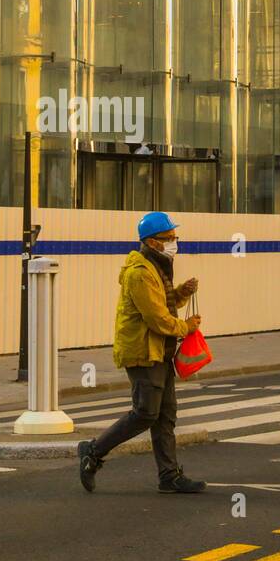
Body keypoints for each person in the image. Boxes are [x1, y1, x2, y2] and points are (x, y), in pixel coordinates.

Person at [77, 211, 206, 494]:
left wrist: (182, 292)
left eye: (175, 237)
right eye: (168, 238)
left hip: (160, 351)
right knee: (146, 413)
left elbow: (164, 303)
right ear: (152, 242)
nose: (174, 242)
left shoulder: (157, 266)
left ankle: (169, 476)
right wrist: (186, 326)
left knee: (165, 415)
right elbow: (157, 318)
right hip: (142, 352)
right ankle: (93, 451)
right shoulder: (139, 273)